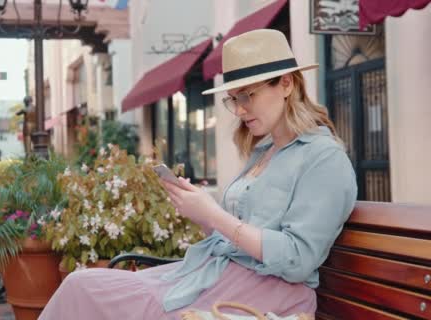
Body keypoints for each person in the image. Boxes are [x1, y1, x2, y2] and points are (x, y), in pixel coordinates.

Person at [39, 29, 357, 319]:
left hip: (266, 294)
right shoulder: (265, 150)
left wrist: (215, 216)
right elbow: (237, 236)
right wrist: (201, 213)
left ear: (286, 83)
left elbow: (298, 258)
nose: (240, 109)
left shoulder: (323, 158)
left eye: (248, 96)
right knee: (81, 284)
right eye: (233, 99)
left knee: (86, 291)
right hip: (215, 277)